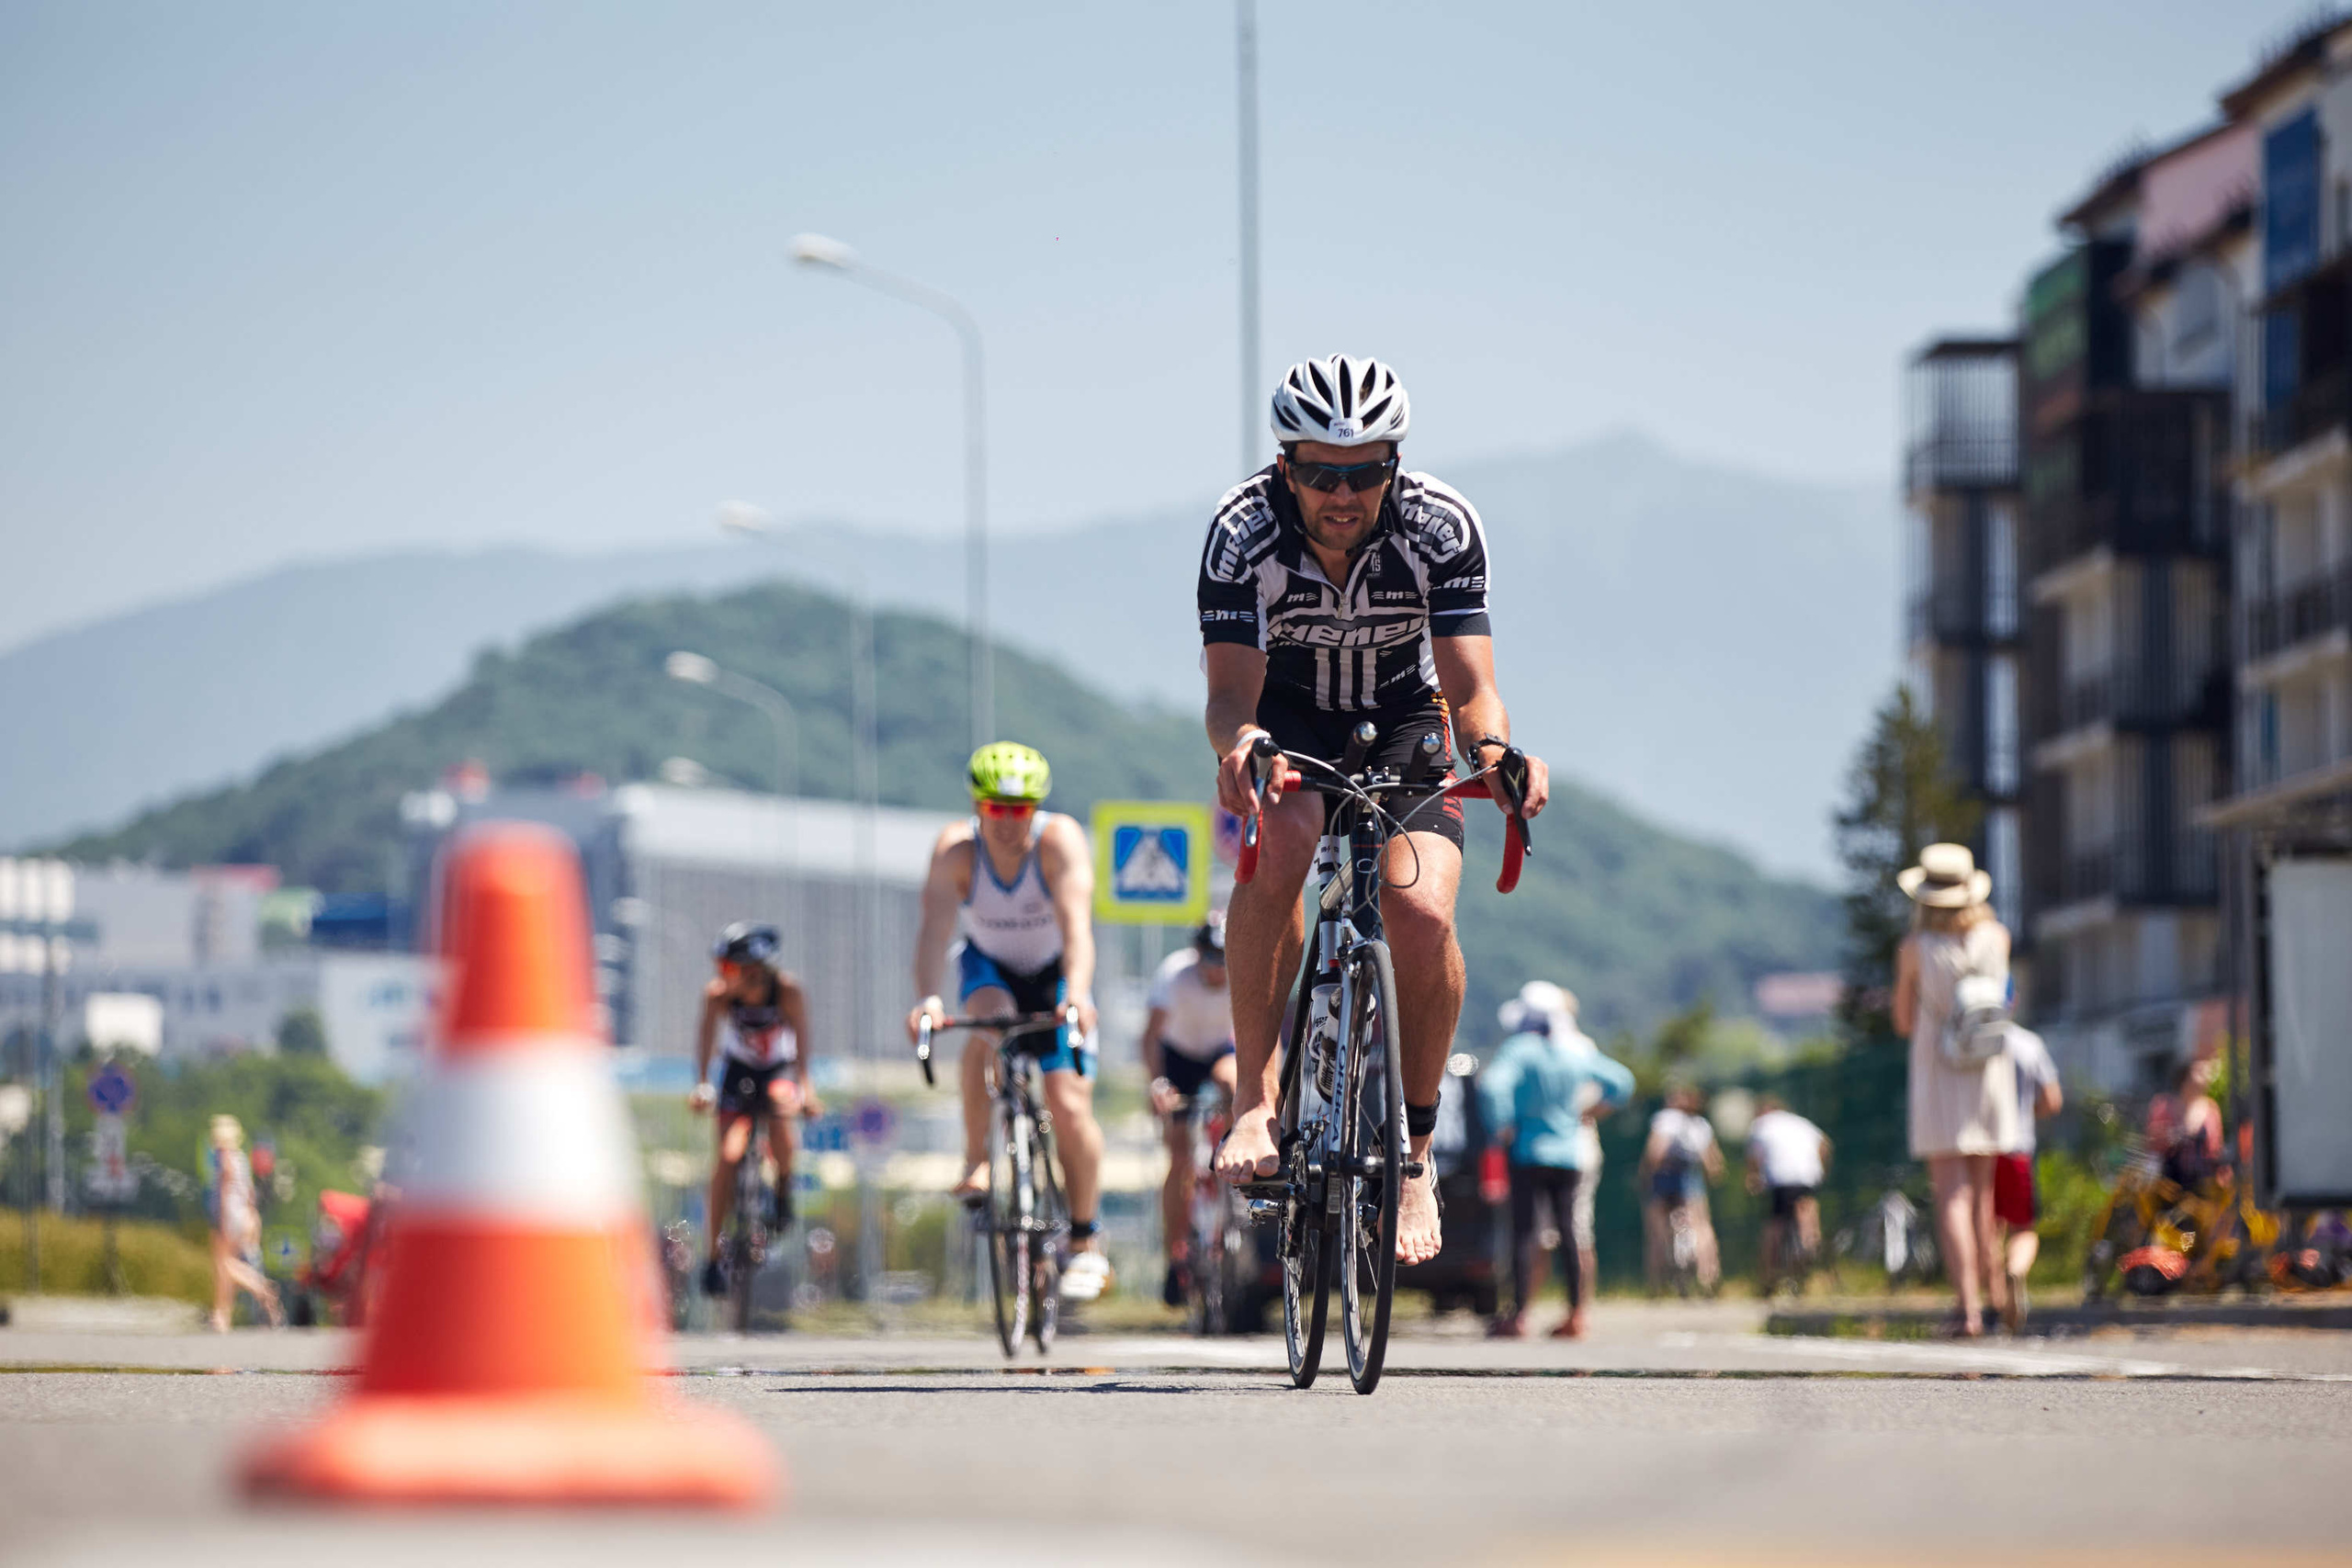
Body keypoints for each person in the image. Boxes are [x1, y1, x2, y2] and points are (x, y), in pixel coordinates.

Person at [1201, 355, 1552, 1269]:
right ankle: (1254, 1098)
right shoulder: (1240, 534)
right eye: (1321, 473)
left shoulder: (1440, 526)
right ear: (1286, 468)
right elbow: (1230, 692)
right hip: (1287, 715)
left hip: (1403, 717)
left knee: (1422, 911)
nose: (1344, 493)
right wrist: (1239, 747)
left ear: (1394, 463)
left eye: (1365, 471)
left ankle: (1413, 1153)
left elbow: (1475, 687)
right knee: (1281, 845)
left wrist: (1496, 757)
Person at [907, 742, 1113, 1303]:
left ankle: (1085, 1239)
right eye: (995, 809)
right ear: (977, 807)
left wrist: (1078, 994)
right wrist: (926, 997)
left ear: (1036, 809)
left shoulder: (1058, 841)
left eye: (1019, 810)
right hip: (989, 968)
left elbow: (1077, 929)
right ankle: (976, 1160)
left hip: (1053, 973)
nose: (1006, 822)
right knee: (988, 1024)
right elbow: (933, 932)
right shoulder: (956, 851)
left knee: (1068, 1104)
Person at [1893, 841, 2019, 1338]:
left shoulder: (1915, 949)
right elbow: (2008, 1003)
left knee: (1951, 1194)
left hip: (1938, 1073)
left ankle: (1966, 1309)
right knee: (1983, 1196)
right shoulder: (1997, 938)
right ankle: (1996, 1294)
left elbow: (1903, 1020)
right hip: (1988, 1071)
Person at [1478, 987, 1633, 1338]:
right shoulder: (1573, 1052)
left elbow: (1493, 1088)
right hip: (1570, 1153)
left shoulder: (1521, 1050)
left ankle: (1518, 1315)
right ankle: (1577, 1313)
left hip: (1528, 1151)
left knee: (1524, 1233)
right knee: (1569, 1232)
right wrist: (1589, 1112)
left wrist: (1501, 1126)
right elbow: (1622, 1082)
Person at [690, 922, 819, 1298]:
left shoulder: (787, 991)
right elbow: (705, 1040)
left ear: (755, 969)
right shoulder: (717, 996)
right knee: (728, 1156)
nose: (724, 977)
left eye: (731, 969)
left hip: (777, 1070)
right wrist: (702, 1085)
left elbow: (803, 1046)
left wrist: (807, 1091)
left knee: (782, 1109)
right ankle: (712, 1258)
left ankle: (782, 1191)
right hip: (737, 1073)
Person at [1145, 915, 1238, 1307]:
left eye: (1223, 959)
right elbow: (1151, 1037)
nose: (1217, 969)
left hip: (1220, 1052)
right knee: (1179, 1157)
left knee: (1236, 1087)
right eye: (1210, 959)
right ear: (1197, 955)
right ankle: (1174, 1255)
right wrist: (1158, 1084)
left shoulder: (1242, 971)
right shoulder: (1175, 975)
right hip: (1177, 1056)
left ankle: (1228, 1159)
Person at [1995, 1023, 2061, 1332]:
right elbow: (2052, 1100)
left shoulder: (1974, 1040)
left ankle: (1994, 1297)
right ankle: (2015, 1268)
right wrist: (2025, 1112)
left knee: (1989, 1228)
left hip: (1979, 1147)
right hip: (2018, 1146)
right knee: (2023, 1228)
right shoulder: (2028, 1043)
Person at [206, 1114, 284, 1333]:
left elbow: (223, 1189)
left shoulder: (224, 1157)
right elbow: (250, 1193)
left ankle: (260, 1287)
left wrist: (220, 1219)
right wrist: (251, 1218)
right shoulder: (241, 1157)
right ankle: (221, 1316)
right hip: (243, 1215)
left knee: (224, 1265)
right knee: (226, 1267)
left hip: (227, 1216)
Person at [1745, 1094, 1830, 1295]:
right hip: (1807, 1176)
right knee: (1807, 1211)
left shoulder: (1761, 1124)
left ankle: (1768, 1278)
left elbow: (1753, 1159)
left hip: (1780, 1180)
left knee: (1774, 1226)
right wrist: (1821, 1172)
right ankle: (1810, 1246)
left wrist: (1753, 1179)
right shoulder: (1800, 1122)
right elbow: (1825, 1145)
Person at [1640, 1086, 1724, 1292]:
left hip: (1665, 1175)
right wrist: (1713, 1176)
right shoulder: (1700, 1124)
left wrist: (1646, 1175)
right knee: (1702, 1225)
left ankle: (1657, 1283)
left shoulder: (1665, 1118)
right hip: (1689, 1175)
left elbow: (1655, 1150)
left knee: (1657, 1228)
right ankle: (1708, 1276)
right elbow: (1713, 1161)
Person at [2148, 1053, 2223, 1192]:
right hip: (2171, 1183)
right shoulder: (2164, 1106)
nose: (2206, 1076)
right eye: (2200, 1071)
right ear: (2185, 1076)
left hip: (2203, 1183)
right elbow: (2152, 1143)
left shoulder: (2210, 1109)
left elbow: (2216, 1149)